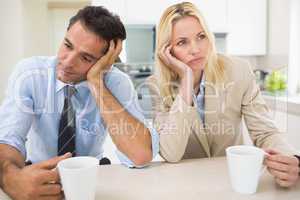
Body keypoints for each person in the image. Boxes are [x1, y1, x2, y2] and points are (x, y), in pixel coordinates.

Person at [0, 6, 159, 200]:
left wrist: (96, 81)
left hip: (94, 180)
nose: (68, 62)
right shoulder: (29, 73)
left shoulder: (116, 82)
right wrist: (10, 178)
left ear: (105, 61)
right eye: (67, 45)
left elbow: (140, 155)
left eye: (86, 57)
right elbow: (9, 139)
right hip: (38, 173)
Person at [147, 2, 299, 188]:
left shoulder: (238, 70)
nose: (196, 49)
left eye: (201, 36)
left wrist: (291, 159)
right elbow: (171, 153)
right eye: (182, 42)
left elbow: (265, 132)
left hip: (232, 179)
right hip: (186, 184)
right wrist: (186, 80)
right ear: (167, 51)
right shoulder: (156, 85)